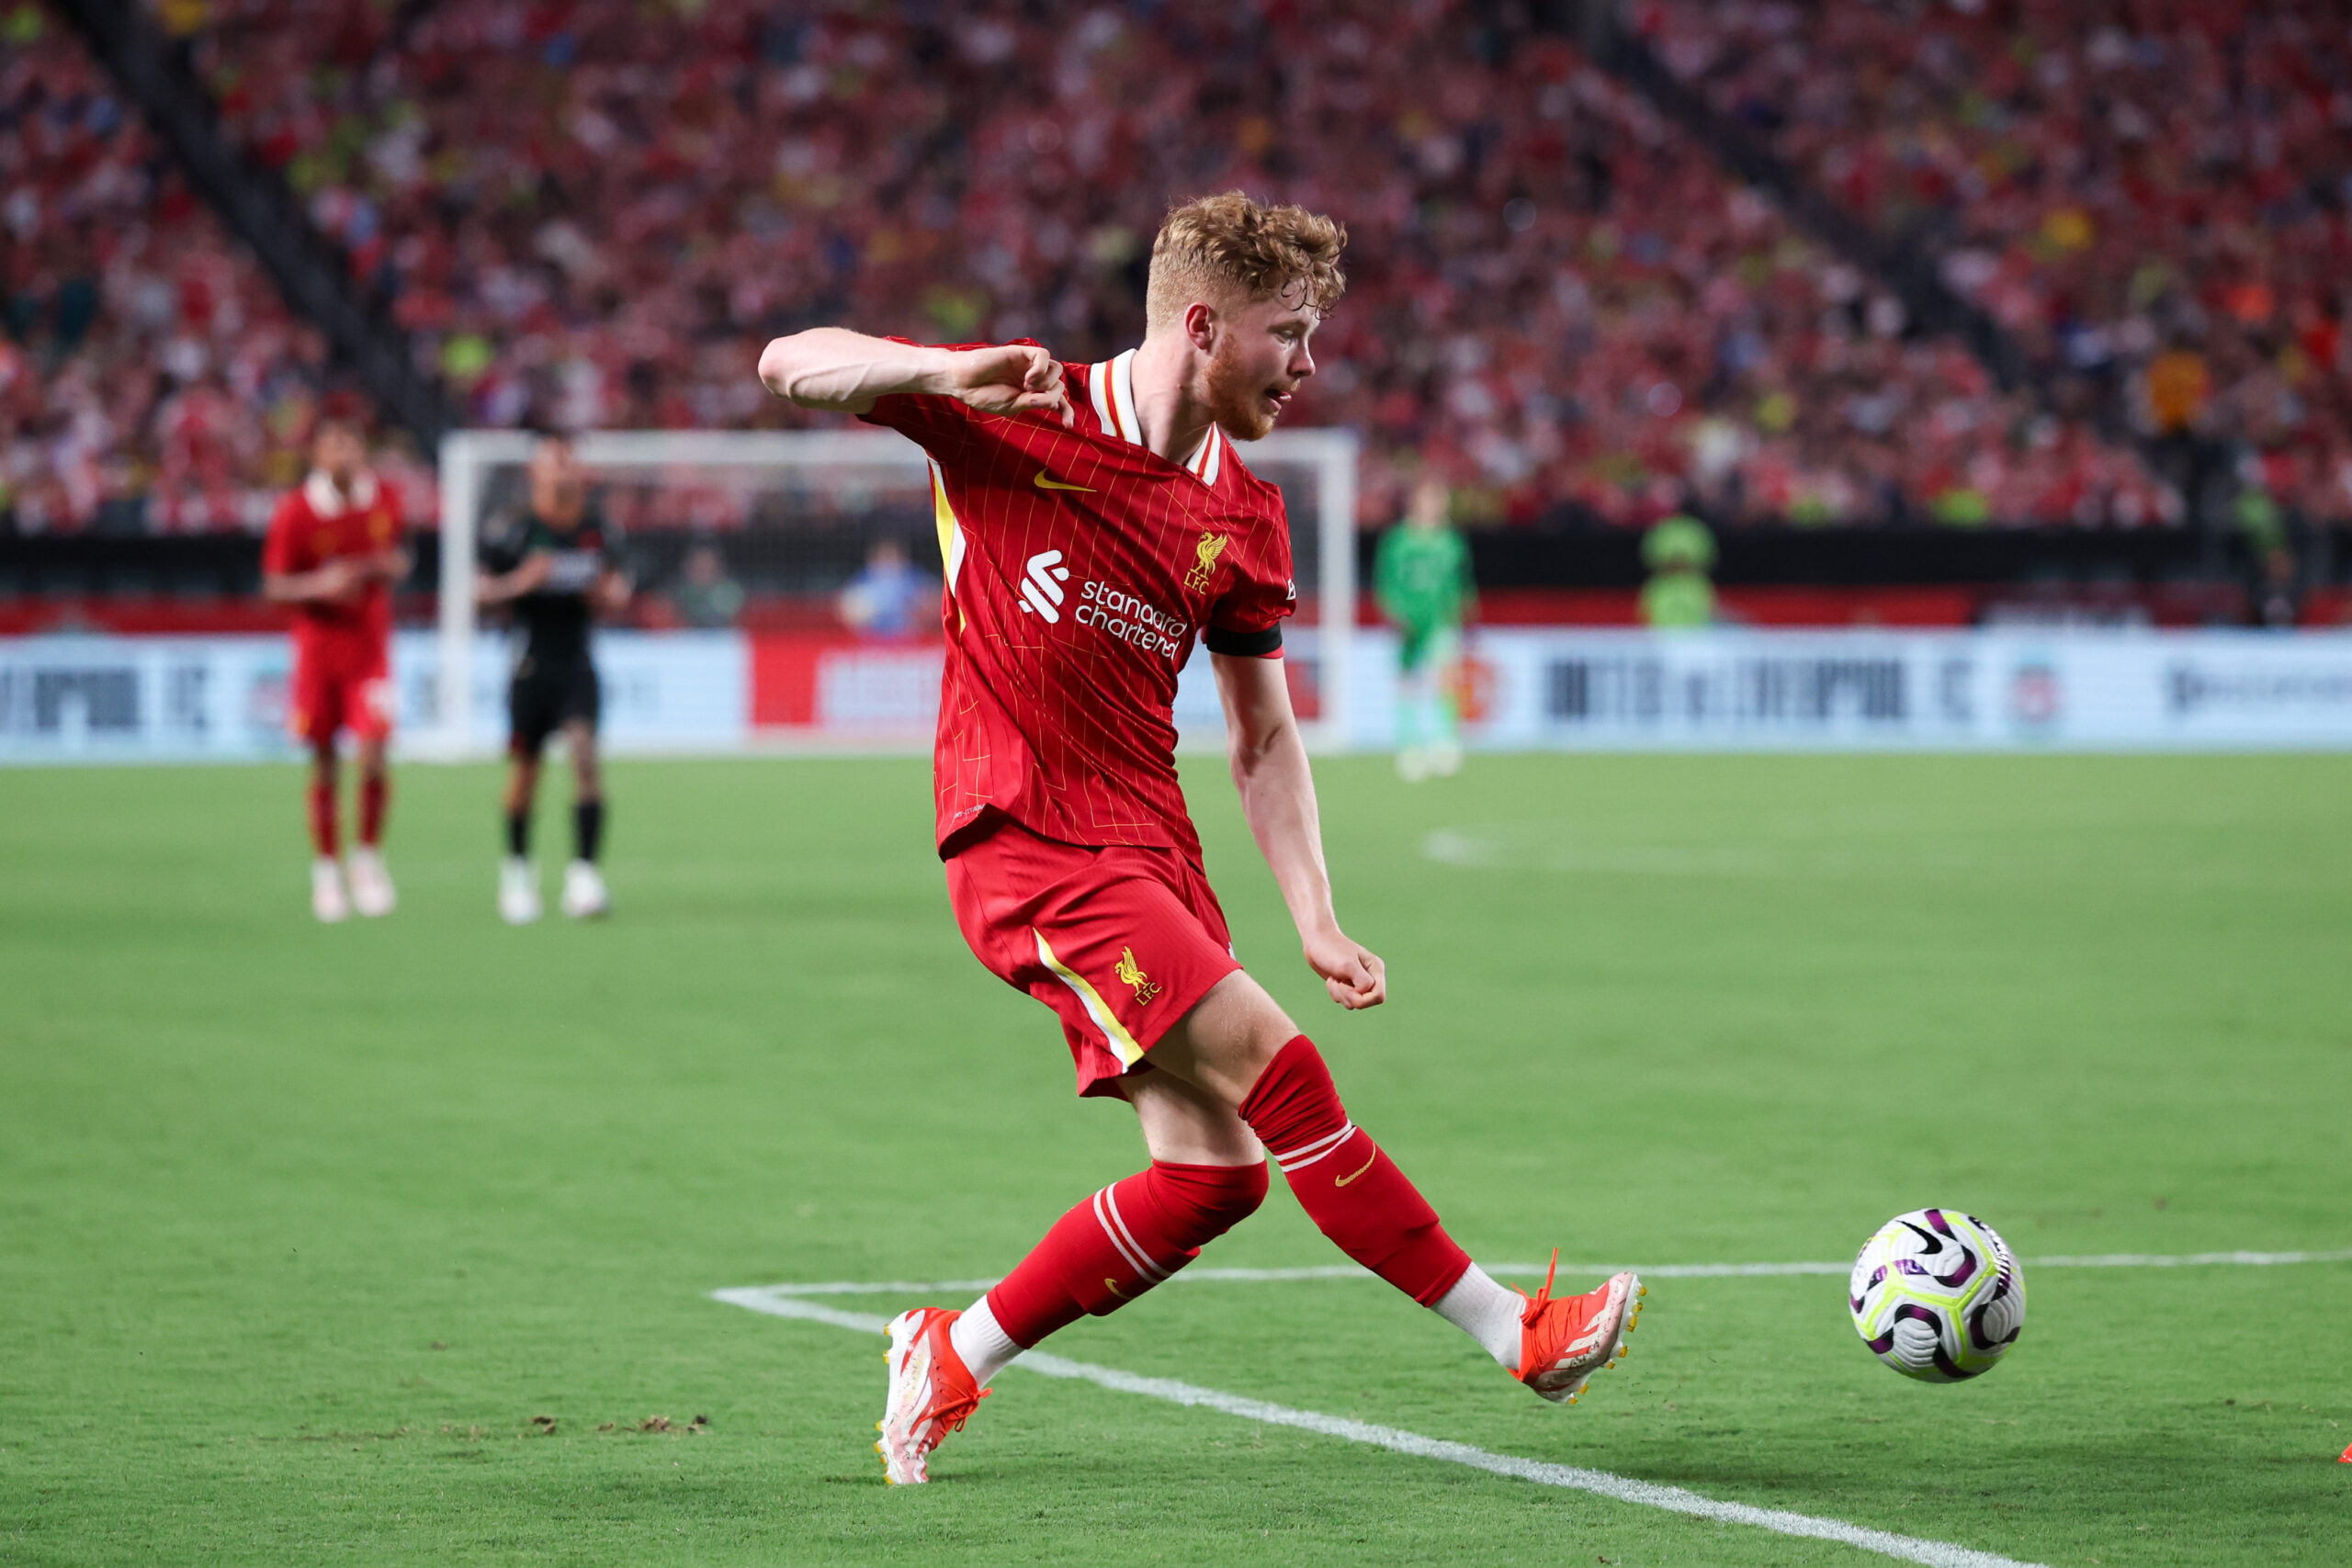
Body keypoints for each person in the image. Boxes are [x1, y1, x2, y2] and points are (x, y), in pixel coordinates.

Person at [758, 190, 1644, 1488]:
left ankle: (950, 1350)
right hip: (1026, 837)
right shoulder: (1018, 409)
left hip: (1150, 852)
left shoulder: (1245, 516)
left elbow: (1265, 739)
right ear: (1201, 324)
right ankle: (1517, 1328)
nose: (1309, 363)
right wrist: (944, 371)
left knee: (1215, 1177)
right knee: (1281, 1074)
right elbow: (792, 363)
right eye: (1288, 333)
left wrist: (1317, 915)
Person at [475, 434, 630, 923]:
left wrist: (605, 595)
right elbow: (479, 593)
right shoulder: (513, 530)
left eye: (568, 460)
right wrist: (522, 582)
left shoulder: (597, 529)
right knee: (526, 772)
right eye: (552, 462)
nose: (562, 469)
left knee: (585, 757)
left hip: (577, 660)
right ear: (535, 473)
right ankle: (517, 875)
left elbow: (616, 589)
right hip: (529, 663)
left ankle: (584, 877)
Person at [261, 416, 408, 922]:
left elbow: (394, 556)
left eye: (351, 443)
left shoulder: (384, 497)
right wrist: (320, 586)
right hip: (319, 652)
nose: (344, 454)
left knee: (374, 752)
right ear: (317, 456)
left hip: (370, 650)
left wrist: (382, 569)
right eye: (333, 445)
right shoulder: (296, 512)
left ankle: (367, 860)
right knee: (324, 759)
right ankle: (326, 870)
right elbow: (276, 586)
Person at [1374, 474, 1476, 780]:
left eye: (1439, 500)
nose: (1434, 506)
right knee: (1408, 684)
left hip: (1440, 622)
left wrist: (1463, 611)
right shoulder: (1397, 541)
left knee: (1445, 679)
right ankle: (1410, 747)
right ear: (1415, 503)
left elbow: (1460, 583)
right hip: (1408, 624)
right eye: (1429, 499)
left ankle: (1445, 743)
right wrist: (1394, 612)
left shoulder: (1451, 542)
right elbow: (1386, 584)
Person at [837, 537, 939, 638]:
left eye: (891, 556)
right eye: (883, 556)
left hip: (910, 641)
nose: (887, 560)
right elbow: (845, 610)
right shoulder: (862, 581)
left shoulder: (915, 578)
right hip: (871, 643)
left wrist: (917, 609)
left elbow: (935, 604)